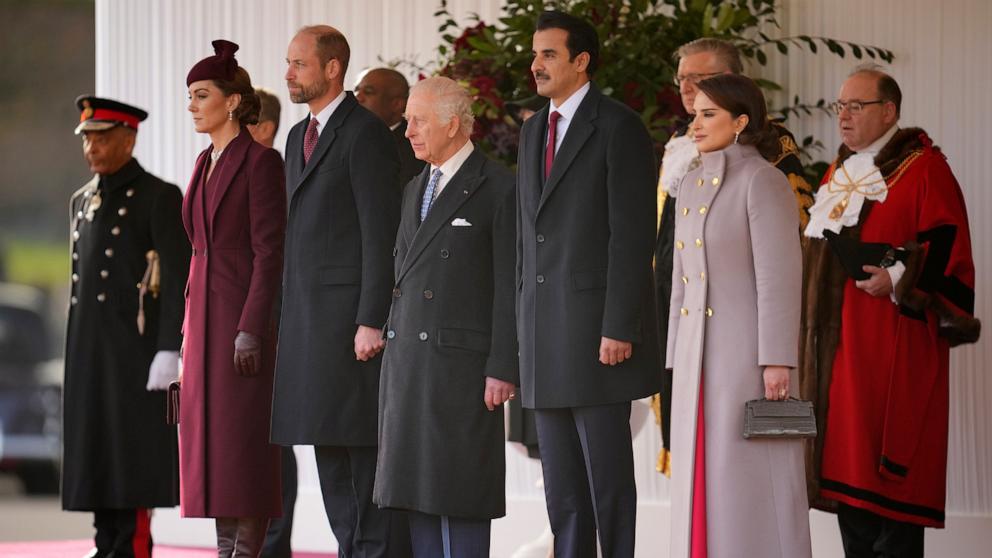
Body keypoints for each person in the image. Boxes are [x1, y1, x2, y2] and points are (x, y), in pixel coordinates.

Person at [801, 65, 979, 557]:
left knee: (891, 498)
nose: (844, 117)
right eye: (840, 106)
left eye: (856, 106)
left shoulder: (925, 168)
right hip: (841, 359)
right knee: (848, 485)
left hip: (893, 350)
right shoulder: (839, 171)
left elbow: (949, 248)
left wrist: (898, 274)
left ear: (889, 111)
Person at [516, 11, 660, 557]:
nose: (536, 65)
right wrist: (519, 329)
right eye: (535, 54)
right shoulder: (532, 130)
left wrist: (619, 325)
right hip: (543, 333)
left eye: (548, 54)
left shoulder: (619, 126)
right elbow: (526, 239)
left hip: (599, 338)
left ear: (582, 62)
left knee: (607, 486)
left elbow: (632, 235)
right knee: (563, 491)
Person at [652, 37, 815, 477]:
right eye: (682, 77)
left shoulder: (767, 147)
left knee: (739, 462)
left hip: (738, 325)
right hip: (684, 316)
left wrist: (775, 354)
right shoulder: (680, 143)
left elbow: (781, 253)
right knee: (697, 459)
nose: (687, 87)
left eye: (700, 79)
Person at [372, 75, 517, 558]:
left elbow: (508, 286)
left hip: (462, 368)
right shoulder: (416, 186)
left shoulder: (498, 186)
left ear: (453, 124)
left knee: (460, 498)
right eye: (409, 119)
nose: (408, 130)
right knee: (417, 501)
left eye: (418, 121)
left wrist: (502, 366)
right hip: (410, 364)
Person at [270, 25, 401, 558]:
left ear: (332, 69)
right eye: (288, 63)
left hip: (350, 327)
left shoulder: (365, 132)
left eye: (298, 64)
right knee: (328, 451)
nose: (288, 74)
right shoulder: (296, 136)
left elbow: (380, 231)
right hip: (309, 323)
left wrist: (372, 318)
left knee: (359, 455)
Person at [63, 96, 189, 558]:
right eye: (87, 139)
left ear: (129, 137)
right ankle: (103, 544)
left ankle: (130, 549)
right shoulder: (82, 200)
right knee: (96, 452)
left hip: (135, 355)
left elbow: (176, 278)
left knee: (131, 457)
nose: (91, 148)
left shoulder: (159, 196)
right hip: (90, 353)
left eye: (101, 138)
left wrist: (168, 348)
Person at [181, 39, 287, 556]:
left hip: (239, 323)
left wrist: (252, 326)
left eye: (201, 95)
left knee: (242, 446)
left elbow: (270, 254)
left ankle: (245, 552)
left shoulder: (261, 162)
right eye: (191, 96)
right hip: (202, 324)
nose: (193, 105)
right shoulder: (204, 162)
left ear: (231, 101)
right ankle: (225, 551)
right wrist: (186, 332)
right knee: (211, 446)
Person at [245, 87, 298, 558]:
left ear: (263, 128)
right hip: (244, 319)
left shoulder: (274, 173)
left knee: (275, 439)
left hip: (276, 321)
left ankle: (274, 546)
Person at [356, 67, 424, 186]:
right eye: (357, 90)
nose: (358, 98)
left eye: (368, 92)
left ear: (396, 104)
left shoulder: (415, 147)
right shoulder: (351, 137)